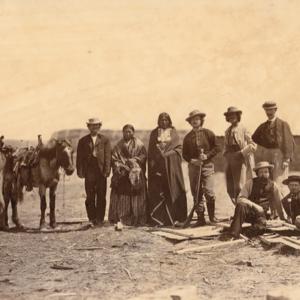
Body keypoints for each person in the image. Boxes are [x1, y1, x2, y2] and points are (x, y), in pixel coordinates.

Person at [148, 112, 187, 226]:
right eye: (161, 120)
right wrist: (157, 158)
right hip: (157, 167)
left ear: (169, 121)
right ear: (158, 121)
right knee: (158, 192)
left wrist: (167, 154)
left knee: (172, 190)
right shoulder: (154, 133)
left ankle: (174, 218)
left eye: (166, 120)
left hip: (171, 167)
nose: (164, 122)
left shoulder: (173, 133)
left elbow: (179, 149)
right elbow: (151, 151)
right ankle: (159, 219)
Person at [183, 110, 221, 226]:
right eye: (192, 120)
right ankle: (200, 219)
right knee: (196, 193)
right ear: (190, 122)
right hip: (194, 168)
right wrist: (192, 160)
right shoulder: (187, 137)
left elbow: (217, 148)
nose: (195, 121)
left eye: (197, 119)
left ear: (201, 120)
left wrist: (207, 156)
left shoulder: (208, 133)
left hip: (207, 166)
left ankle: (212, 217)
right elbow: (184, 154)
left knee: (209, 192)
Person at [229, 161, 285, 238]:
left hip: (261, 215)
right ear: (257, 173)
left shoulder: (273, 185)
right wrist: (255, 206)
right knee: (241, 206)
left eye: (266, 172)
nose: (263, 174)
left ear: (269, 173)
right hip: (249, 213)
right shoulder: (250, 183)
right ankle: (234, 233)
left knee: (261, 227)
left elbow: (278, 203)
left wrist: (282, 218)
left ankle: (245, 235)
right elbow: (240, 198)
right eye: (261, 172)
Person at [108, 124, 147, 226]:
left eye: (130, 131)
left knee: (137, 196)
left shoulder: (139, 144)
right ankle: (122, 217)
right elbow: (114, 159)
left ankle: (138, 217)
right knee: (122, 196)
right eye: (126, 132)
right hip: (123, 175)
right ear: (123, 133)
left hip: (135, 174)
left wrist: (134, 160)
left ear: (133, 132)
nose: (128, 133)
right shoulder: (118, 145)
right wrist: (121, 165)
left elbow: (143, 156)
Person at [76, 118, 111, 226]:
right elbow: (79, 158)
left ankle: (100, 219)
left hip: (101, 172)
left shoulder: (105, 140)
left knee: (101, 195)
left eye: (96, 126)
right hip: (89, 171)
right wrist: (80, 171)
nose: (94, 128)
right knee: (90, 196)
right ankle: (91, 218)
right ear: (88, 127)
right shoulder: (83, 141)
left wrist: (107, 170)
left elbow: (108, 157)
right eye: (92, 126)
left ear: (100, 126)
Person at [252, 101, 295, 189]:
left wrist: (286, 158)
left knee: (279, 179)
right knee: (267, 179)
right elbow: (254, 137)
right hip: (266, 154)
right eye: (267, 110)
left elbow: (289, 141)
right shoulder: (263, 126)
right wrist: (265, 144)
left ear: (275, 110)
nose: (269, 112)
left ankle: (281, 201)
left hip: (279, 154)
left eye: (271, 110)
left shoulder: (283, 124)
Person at [223, 107, 256, 205]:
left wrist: (241, 153)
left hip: (242, 159)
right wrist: (226, 154)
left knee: (240, 186)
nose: (232, 117)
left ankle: (245, 209)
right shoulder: (227, 131)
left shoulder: (244, 128)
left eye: (234, 115)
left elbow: (253, 145)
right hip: (231, 159)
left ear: (238, 116)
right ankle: (238, 209)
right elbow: (225, 146)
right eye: (230, 116)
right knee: (230, 187)